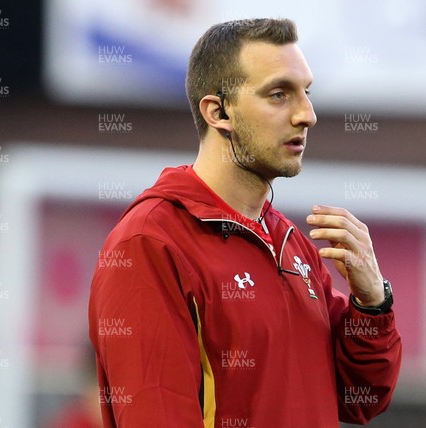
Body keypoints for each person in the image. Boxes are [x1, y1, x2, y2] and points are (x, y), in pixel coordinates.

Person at [89, 18, 402, 427]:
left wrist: (371, 302)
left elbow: (361, 398)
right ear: (218, 112)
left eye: (306, 93)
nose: (307, 115)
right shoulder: (151, 242)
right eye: (279, 94)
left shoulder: (292, 243)